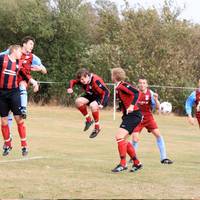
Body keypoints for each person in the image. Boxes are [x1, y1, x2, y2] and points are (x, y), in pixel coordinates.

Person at [0, 36, 47, 119]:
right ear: (24, 44)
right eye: (30, 44)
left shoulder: (33, 57)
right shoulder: (14, 51)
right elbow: (2, 56)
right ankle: (9, 132)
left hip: (23, 79)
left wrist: (40, 68)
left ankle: (23, 109)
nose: (32, 46)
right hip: (10, 81)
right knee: (8, 112)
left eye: (33, 44)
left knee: (22, 85)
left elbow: (44, 70)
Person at [131, 78, 173, 164]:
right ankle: (133, 157)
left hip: (148, 117)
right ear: (138, 85)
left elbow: (158, 107)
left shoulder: (151, 93)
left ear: (147, 85)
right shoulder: (135, 93)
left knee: (158, 135)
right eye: (140, 83)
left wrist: (157, 100)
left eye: (144, 83)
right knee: (135, 139)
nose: (142, 85)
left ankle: (164, 158)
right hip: (137, 117)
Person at [0, 45, 31, 156]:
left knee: (19, 119)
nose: (21, 54)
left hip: (14, 93)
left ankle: (24, 145)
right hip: (2, 94)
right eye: (19, 52)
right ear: (14, 51)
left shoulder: (19, 63)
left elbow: (25, 74)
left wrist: (33, 82)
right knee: (3, 121)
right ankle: (7, 145)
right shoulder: (2, 59)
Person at [111, 67, 142, 173]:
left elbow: (137, 92)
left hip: (133, 115)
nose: (111, 76)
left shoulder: (123, 85)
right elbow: (124, 100)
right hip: (129, 116)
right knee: (124, 140)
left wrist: (132, 106)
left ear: (115, 76)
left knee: (119, 137)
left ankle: (123, 164)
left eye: (112, 75)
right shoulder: (118, 87)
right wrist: (120, 107)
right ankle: (137, 163)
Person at [67, 68, 110, 138]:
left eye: (83, 79)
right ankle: (89, 120)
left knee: (92, 105)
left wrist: (102, 103)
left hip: (100, 97)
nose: (82, 81)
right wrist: (70, 87)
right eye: (80, 80)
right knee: (78, 101)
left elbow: (107, 92)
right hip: (90, 95)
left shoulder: (96, 80)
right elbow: (72, 81)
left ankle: (97, 127)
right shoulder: (83, 79)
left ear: (87, 76)